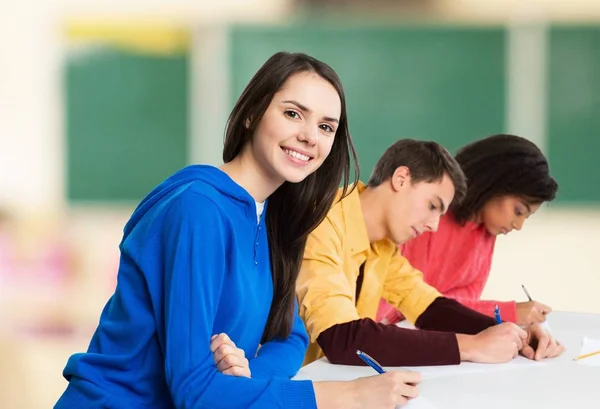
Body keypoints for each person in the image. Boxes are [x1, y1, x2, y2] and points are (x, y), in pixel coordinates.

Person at [54, 52, 421, 409]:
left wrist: (248, 376)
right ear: (250, 115)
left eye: (326, 127)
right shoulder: (198, 210)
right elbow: (194, 392)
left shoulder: (273, 214)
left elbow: (291, 335)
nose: (311, 136)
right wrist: (351, 397)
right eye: (293, 114)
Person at [296, 138, 565, 367]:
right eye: (432, 205)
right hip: (292, 384)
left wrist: (514, 334)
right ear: (401, 179)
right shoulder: (323, 220)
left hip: (330, 379)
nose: (433, 225)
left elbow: (429, 306)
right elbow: (343, 338)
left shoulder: (382, 244)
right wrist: (469, 347)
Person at [377, 134, 557, 327]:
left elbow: (457, 309)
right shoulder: (426, 217)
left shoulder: (485, 233)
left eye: (525, 217)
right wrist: (505, 313)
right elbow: (416, 304)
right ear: (494, 184)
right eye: (518, 211)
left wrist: (516, 326)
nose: (518, 226)